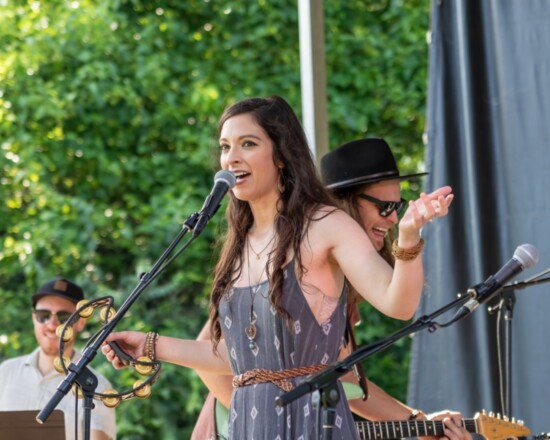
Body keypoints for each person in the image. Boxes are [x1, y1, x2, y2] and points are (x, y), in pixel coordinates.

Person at [102, 95, 453, 439]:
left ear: (282, 155)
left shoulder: (325, 224)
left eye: (248, 144)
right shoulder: (239, 243)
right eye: (225, 147)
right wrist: (149, 345)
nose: (232, 158)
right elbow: (239, 358)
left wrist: (408, 238)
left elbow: (399, 305)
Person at [190, 137, 467, 440]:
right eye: (385, 206)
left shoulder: (340, 281)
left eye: (398, 207)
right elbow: (211, 358)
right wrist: (267, 420)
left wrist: (416, 421)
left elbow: (342, 377)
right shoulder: (286, 261)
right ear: (342, 206)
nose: (392, 218)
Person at [0, 278, 117, 440]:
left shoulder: (96, 385)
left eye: (64, 317)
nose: (52, 325)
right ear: (34, 318)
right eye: (43, 315)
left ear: (81, 322)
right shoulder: (5, 372)